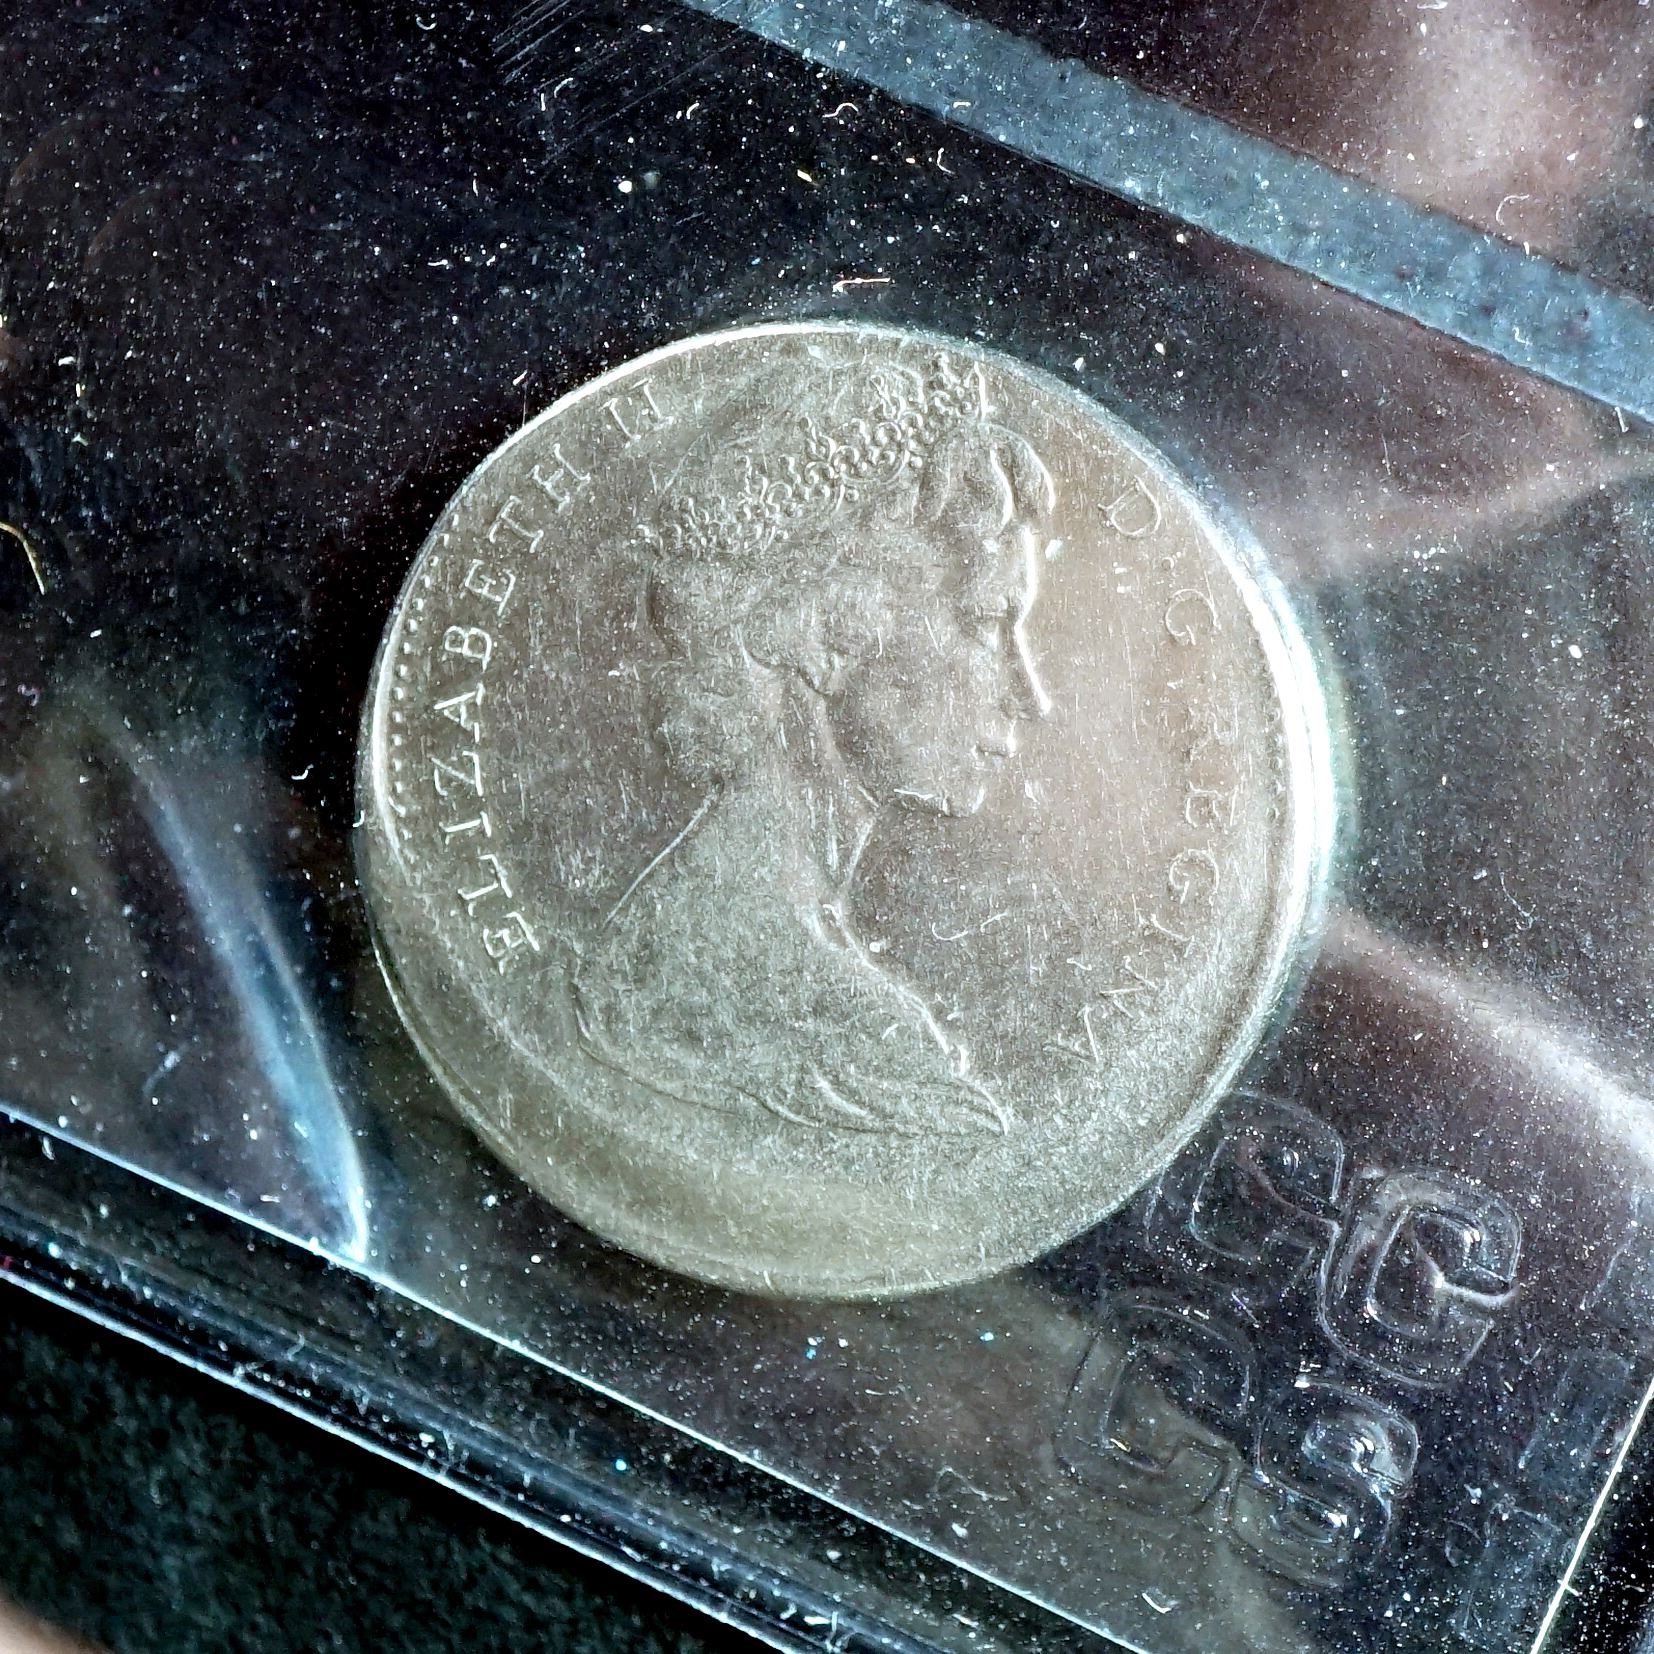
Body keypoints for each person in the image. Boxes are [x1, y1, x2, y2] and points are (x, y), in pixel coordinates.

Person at [571, 360, 1056, 1139]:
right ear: (830, 633)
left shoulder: (660, 941)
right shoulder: (865, 1042)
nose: (1027, 696)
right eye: (985, 624)